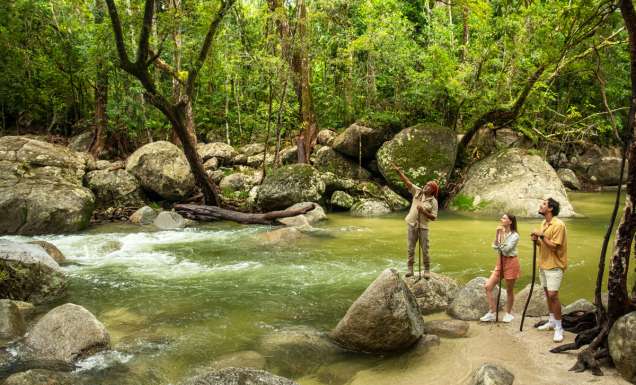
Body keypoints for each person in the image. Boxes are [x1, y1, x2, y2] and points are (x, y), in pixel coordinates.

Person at [391, 163, 438, 279]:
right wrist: (398, 172)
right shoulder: (417, 191)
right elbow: (407, 182)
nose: (425, 187)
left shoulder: (433, 202)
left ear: (432, 191)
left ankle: (426, 269)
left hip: (423, 227)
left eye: (429, 187)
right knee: (410, 248)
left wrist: (423, 212)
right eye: (426, 185)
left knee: (425, 249)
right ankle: (410, 269)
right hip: (412, 224)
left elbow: (433, 217)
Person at [531, 198, 568, 343]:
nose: (541, 205)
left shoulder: (558, 225)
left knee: (553, 295)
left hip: (555, 265)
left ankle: (559, 327)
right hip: (543, 264)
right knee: (547, 294)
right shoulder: (544, 223)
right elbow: (545, 245)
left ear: (551, 208)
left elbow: (554, 246)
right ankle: (552, 321)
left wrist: (541, 235)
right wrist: (537, 241)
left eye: (544, 204)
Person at [480, 213, 521, 323]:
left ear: (510, 221)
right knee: (488, 286)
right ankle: (492, 312)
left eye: (504, 218)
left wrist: (501, 235)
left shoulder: (515, 235)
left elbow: (506, 249)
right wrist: (497, 233)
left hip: (511, 262)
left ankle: (508, 313)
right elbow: (494, 246)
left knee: (509, 290)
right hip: (500, 262)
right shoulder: (500, 231)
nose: (501, 219)